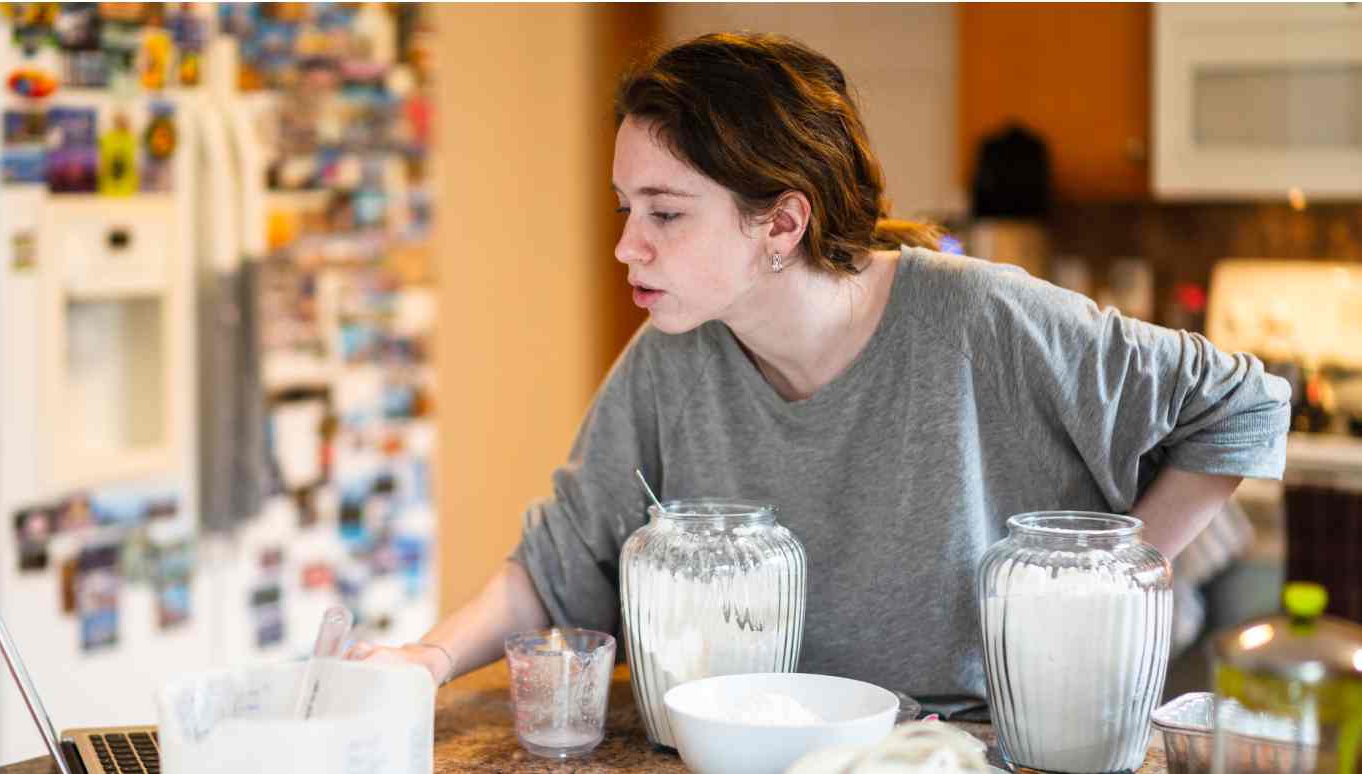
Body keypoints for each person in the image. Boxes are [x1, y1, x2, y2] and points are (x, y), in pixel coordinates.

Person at [349, 32, 1291, 703]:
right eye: (623, 208)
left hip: (975, 748)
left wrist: (1115, 577)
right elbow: (559, 565)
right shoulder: (672, 355)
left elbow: (1245, 404)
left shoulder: (981, 317)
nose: (627, 247)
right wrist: (425, 660)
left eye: (666, 214)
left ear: (784, 224)